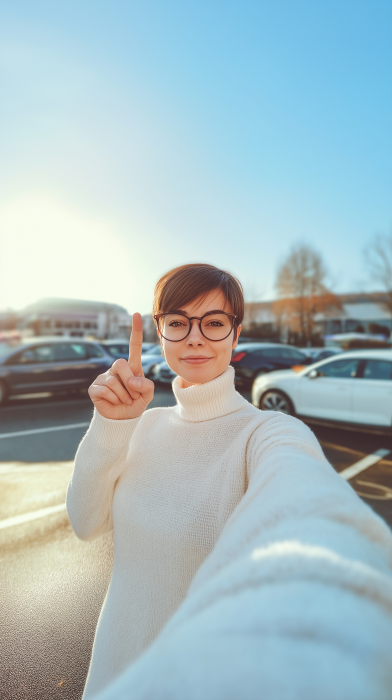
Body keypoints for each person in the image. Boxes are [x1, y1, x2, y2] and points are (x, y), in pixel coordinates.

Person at [67, 263, 392, 700]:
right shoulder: (142, 426)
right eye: (178, 322)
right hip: (112, 675)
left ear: (236, 336)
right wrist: (110, 424)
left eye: (214, 322)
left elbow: (310, 505)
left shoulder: (267, 432)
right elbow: (85, 523)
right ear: (160, 335)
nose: (195, 337)